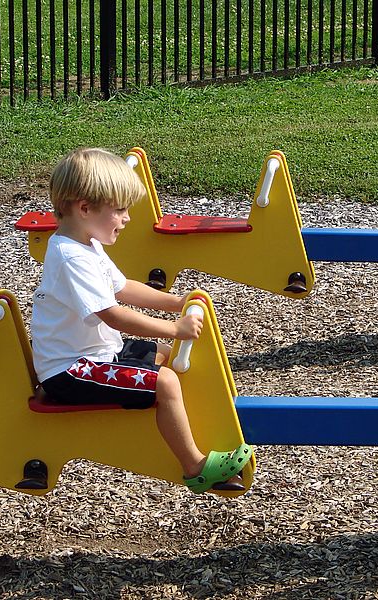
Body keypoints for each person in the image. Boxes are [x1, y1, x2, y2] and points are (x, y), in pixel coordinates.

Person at [30, 147, 251, 494]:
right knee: (165, 382)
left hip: (95, 353)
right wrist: (175, 327)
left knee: (165, 354)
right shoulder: (71, 259)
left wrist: (177, 302)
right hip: (69, 371)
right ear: (84, 208)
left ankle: (188, 422)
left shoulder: (86, 244)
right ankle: (194, 466)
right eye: (119, 210)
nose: (127, 218)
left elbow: (125, 288)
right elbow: (114, 315)